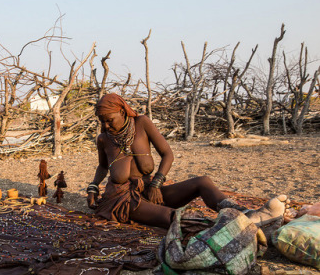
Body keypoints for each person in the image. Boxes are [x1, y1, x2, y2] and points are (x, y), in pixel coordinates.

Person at [86, 93, 286, 229]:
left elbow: (167, 154)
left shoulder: (141, 123)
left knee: (203, 182)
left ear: (122, 112)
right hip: (123, 200)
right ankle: (233, 227)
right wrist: (93, 186)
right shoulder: (104, 139)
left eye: (109, 119)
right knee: (172, 217)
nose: (105, 125)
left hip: (149, 189)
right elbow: (103, 166)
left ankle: (247, 214)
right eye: (101, 120)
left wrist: (157, 182)